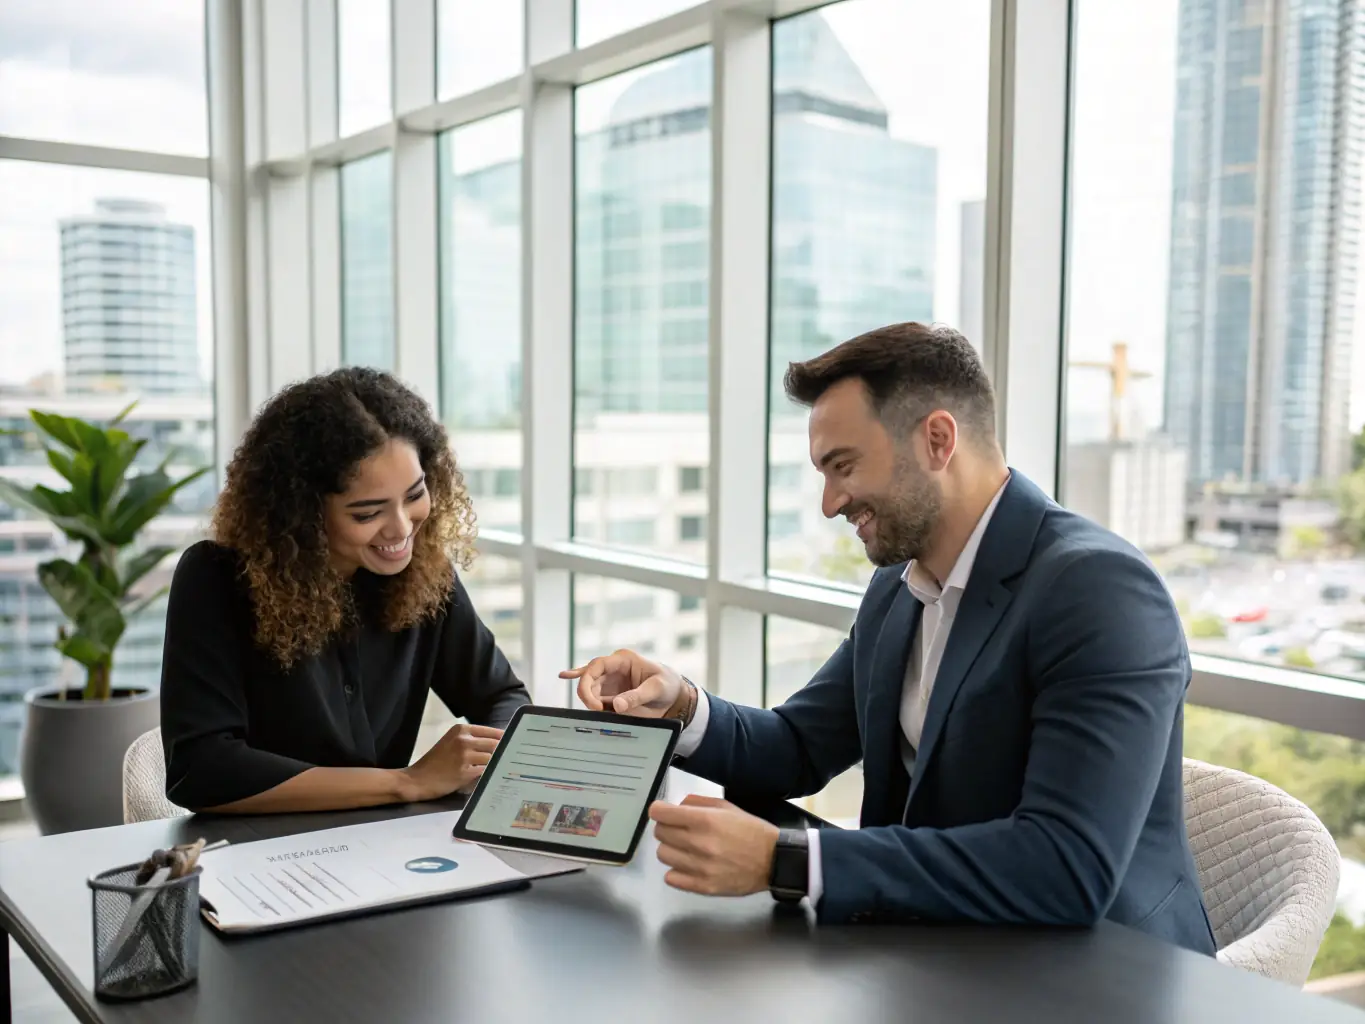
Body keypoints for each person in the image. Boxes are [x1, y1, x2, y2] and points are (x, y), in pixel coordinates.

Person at [564, 322, 1217, 955]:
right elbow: (799, 746)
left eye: (842, 466)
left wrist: (788, 860)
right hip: (938, 944)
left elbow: (1065, 865)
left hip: (1097, 971)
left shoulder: (1098, 591)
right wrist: (681, 706)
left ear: (937, 440)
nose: (829, 503)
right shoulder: (897, 589)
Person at [160, 367, 528, 814]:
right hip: (261, 846)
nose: (401, 528)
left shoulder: (426, 574)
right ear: (302, 514)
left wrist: (486, 756)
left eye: (414, 495)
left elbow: (501, 697)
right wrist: (405, 783)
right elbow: (200, 771)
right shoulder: (215, 579)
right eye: (367, 513)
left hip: (385, 842)